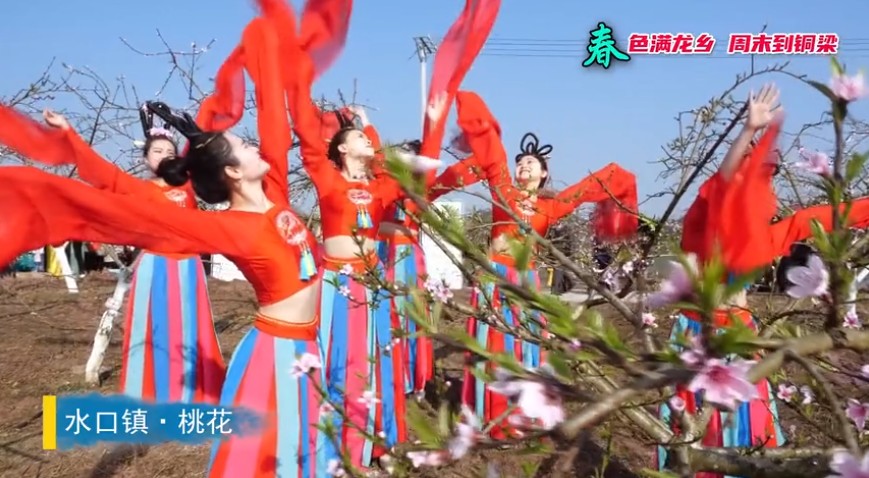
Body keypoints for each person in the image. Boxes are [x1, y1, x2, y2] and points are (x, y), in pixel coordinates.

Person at [0, 14, 348, 476]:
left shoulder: (277, 193)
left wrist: (270, 61)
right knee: (268, 460)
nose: (256, 148)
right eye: (244, 147)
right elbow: (118, 205)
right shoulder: (226, 226)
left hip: (307, 343)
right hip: (276, 352)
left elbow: (276, 131)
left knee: (309, 449)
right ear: (232, 172)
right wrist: (67, 150)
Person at [453, 90, 639, 437]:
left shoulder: (550, 207)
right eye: (520, 162)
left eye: (531, 163)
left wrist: (618, 176)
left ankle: (521, 414)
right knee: (492, 344)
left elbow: (585, 189)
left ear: (543, 174)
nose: (523, 166)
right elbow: (493, 155)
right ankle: (487, 413)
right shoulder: (503, 190)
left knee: (524, 344)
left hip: (527, 282)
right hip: (495, 276)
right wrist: (474, 112)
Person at [26, 107, 225, 404]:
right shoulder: (137, 189)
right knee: (154, 333)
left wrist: (200, 136)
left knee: (191, 332)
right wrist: (67, 130)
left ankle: (193, 396)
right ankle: (151, 396)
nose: (164, 155)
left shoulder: (190, 185)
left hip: (189, 269)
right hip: (156, 267)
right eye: (157, 151)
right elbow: (99, 171)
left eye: (170, 151)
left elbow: (216, 167)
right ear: (146, 159)